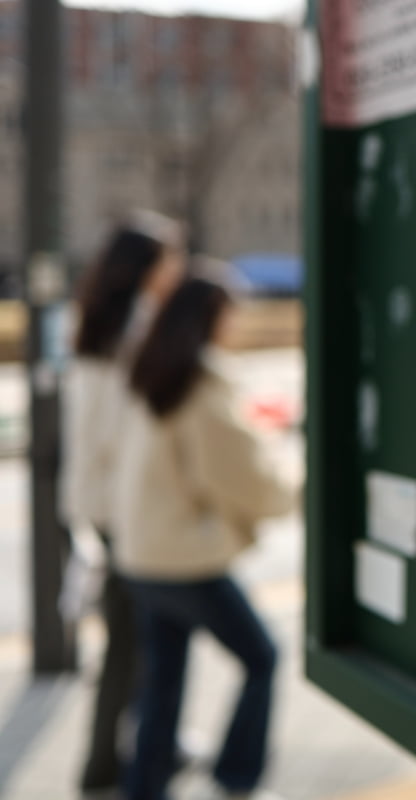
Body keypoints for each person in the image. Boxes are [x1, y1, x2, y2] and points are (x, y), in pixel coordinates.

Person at [114, 269, 296, 800]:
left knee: (163, 685)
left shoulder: (152, 374)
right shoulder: (200, 387)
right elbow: (247, 480)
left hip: (142, 556)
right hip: (185, 561)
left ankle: (142, 788)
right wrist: (297, 489)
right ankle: (236, 778)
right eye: (230, 311)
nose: (236, 323)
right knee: (262, 657)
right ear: (209, 318)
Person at [62, 212, 185, 797]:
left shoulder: (94, 321)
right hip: (123, 509)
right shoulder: (134, 329)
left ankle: (132, 751)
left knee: (131, 637)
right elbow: (125, 434)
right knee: (135, 642)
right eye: (170, 259)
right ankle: (108, 765)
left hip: (98, 503)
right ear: (146, 267)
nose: (176, 270)